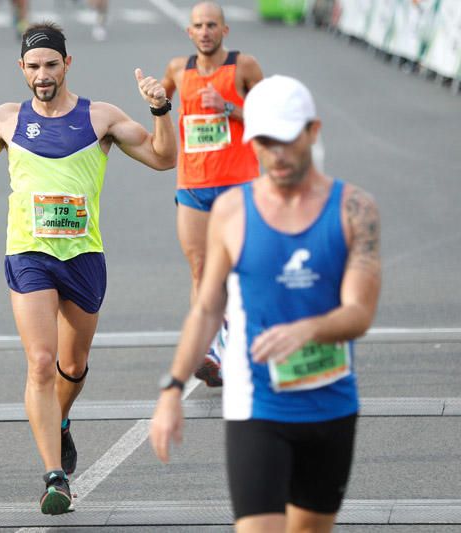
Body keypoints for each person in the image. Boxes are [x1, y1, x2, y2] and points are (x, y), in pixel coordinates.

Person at [0, 22, 176, 515]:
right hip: (29, 255)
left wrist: (159, 109)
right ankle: (54, 477)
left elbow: (162, 157)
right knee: (40, 362)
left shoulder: (101, 117)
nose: (43, 75)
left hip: (84, 257)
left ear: (68, 64)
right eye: (34, 66)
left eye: (51, 64)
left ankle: (59, 420)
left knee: (73, 366)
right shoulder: (7, 119)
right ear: (21, 69)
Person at [149, 75, 381, 533]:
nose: (275, 153)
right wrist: (172, 389)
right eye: (264, 141)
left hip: (329, 406)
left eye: (286, 139)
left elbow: (360, 312)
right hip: (257, 407)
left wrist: (307, 330)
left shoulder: (354, 209)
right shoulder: (233, 212)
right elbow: (207, 309)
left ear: (313, 132)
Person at [160, 1, 263, 387]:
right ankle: (212, 351)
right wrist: (155, 101)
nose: (205, 31)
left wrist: (231, 108)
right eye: (198, 26)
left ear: (225, 30)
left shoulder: (244, 66)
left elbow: (272, 118)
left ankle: (237, 345)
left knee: (238, 270)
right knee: (202, 271)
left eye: (212, 25)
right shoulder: (176, 69)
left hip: (239, 184)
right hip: (193, 186)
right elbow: (161, 106)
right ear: (189, 32)